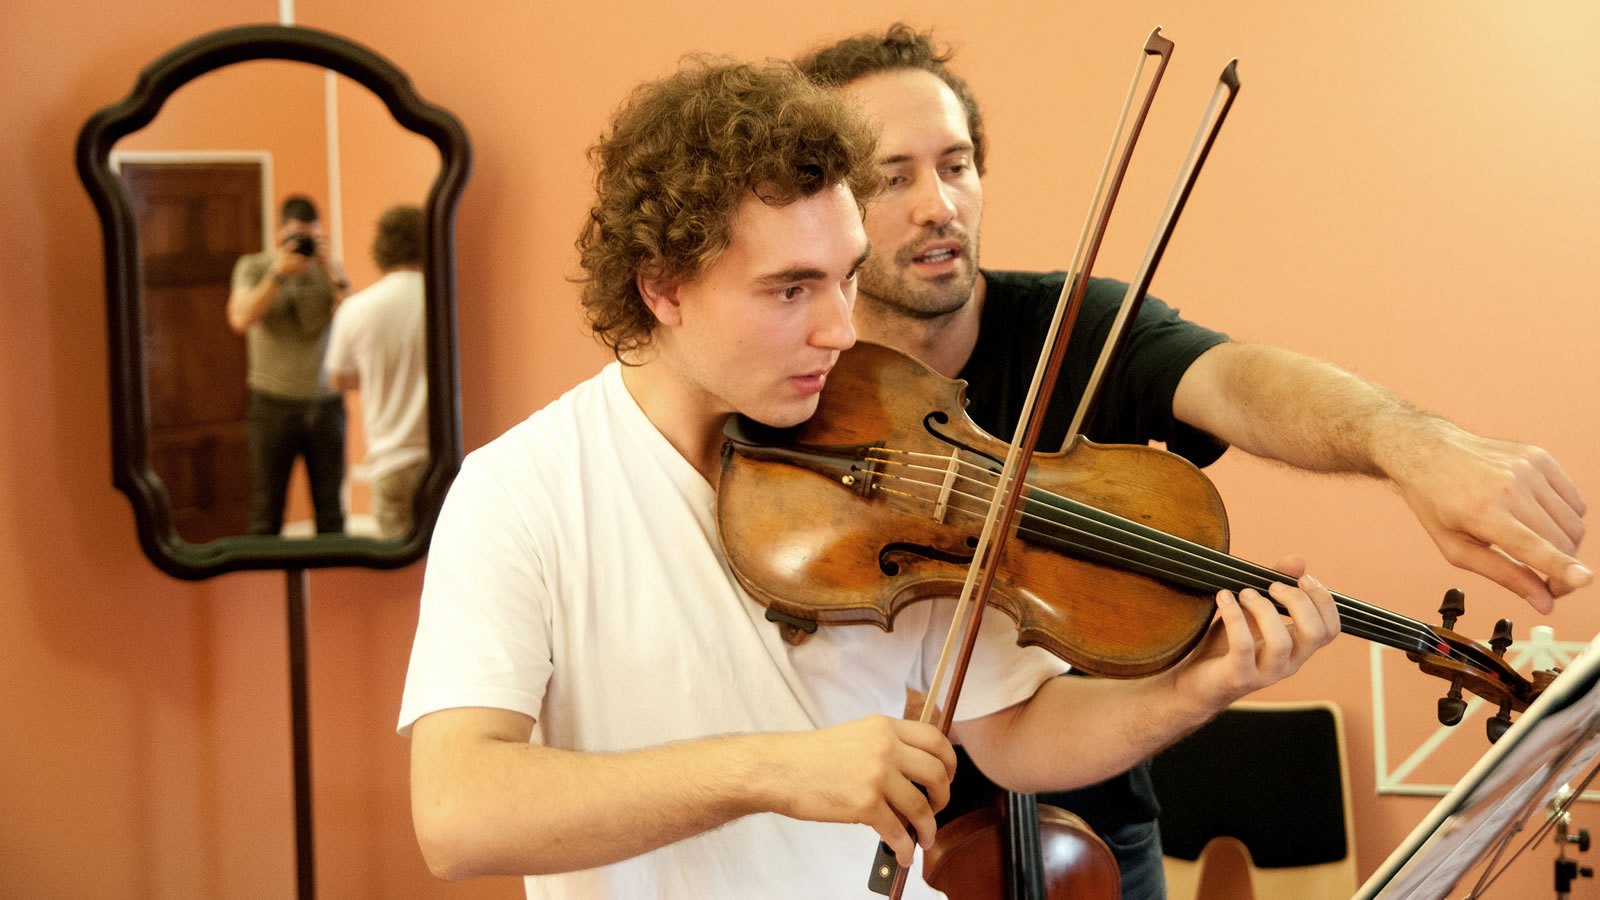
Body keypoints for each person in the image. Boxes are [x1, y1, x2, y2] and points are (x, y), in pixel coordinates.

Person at [398, 58, 1338, 900]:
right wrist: (773, 771)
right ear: (663, 287)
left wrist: (1196, 687)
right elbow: (458, 813)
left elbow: (1017, 730)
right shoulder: (520, 491)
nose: (841, 329)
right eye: (791, 289)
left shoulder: (888, 454)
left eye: (846, 275)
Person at [797, 23, 1590, 899]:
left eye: (956, 166)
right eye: (892, 177)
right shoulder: (795, 389)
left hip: (1096, 839)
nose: (938, 205)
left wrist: (1407, 444)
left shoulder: (1077, 329)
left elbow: (1238, 381)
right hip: (859, 849)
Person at [228, 194, 350, 536]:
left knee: (331, 515)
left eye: (310, 237)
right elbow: (240, 318)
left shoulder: (329, 271)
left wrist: (332, 273)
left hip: (326, 404)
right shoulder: (255, 267)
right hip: (271, 404)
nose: (303, 245)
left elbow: (355, 322)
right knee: (265, 513)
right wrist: (277, 275)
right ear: (279, 232)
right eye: (296, 237)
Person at [324, 205, 430, 539]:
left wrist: (377, 370)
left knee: (399, 565)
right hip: (442, 457)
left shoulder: (356, 309)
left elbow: (338, 378)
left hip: (390, 460)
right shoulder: (446, 300)